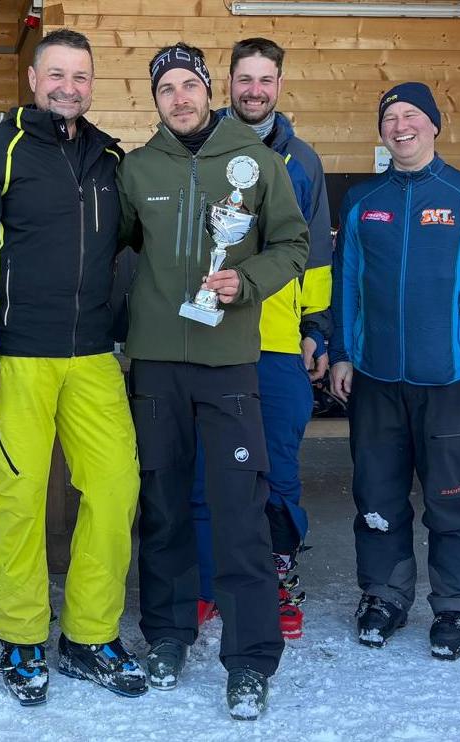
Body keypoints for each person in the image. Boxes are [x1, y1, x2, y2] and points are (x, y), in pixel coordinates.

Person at [0, 29, 144, 706]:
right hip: (17, 358)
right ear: (33, 80)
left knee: (114, 489)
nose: (68, 87)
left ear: (92, 85)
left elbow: (132, 245)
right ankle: (22, 637)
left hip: (92, 357)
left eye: (80, 76)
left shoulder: (109, 157)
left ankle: (90, 635)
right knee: (20, 499)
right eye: (56, 74)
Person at [118, 42, 309, 720]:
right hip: (156, 362)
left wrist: (246, 281)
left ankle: (250, 658)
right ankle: (167, 636)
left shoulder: (256, 162)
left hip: (228, 360)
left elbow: (294, 243)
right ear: (156, 100)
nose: (180, 98)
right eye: (166, 88)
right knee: (164, 504)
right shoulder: (136, 168)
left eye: (189, 85)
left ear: (209, 90)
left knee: (238, 510)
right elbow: (116, 248)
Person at [329, 82, 460, 660]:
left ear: (434, 125)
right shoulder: (361, 200)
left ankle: (457, 605)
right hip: (376, 378)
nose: (401, 126)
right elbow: (346, 283)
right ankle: (384, 596)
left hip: (450, 379)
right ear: (381, 131)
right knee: (377, 496)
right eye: (391, 117)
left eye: (412, 115)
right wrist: (341, 352)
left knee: (451, 498)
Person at [190, 37, 332, 640]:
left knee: (277, 468)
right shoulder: (199, 147)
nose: (254, 90)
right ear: (228, 83)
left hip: (276, 340)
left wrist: (316, 329)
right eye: (244, 78)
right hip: (210, 337)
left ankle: (276, 577)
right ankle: (206, 583)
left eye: (265, 79)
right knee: (205, 468)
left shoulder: (303, 161)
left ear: (279, 84)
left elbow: (316, 255)